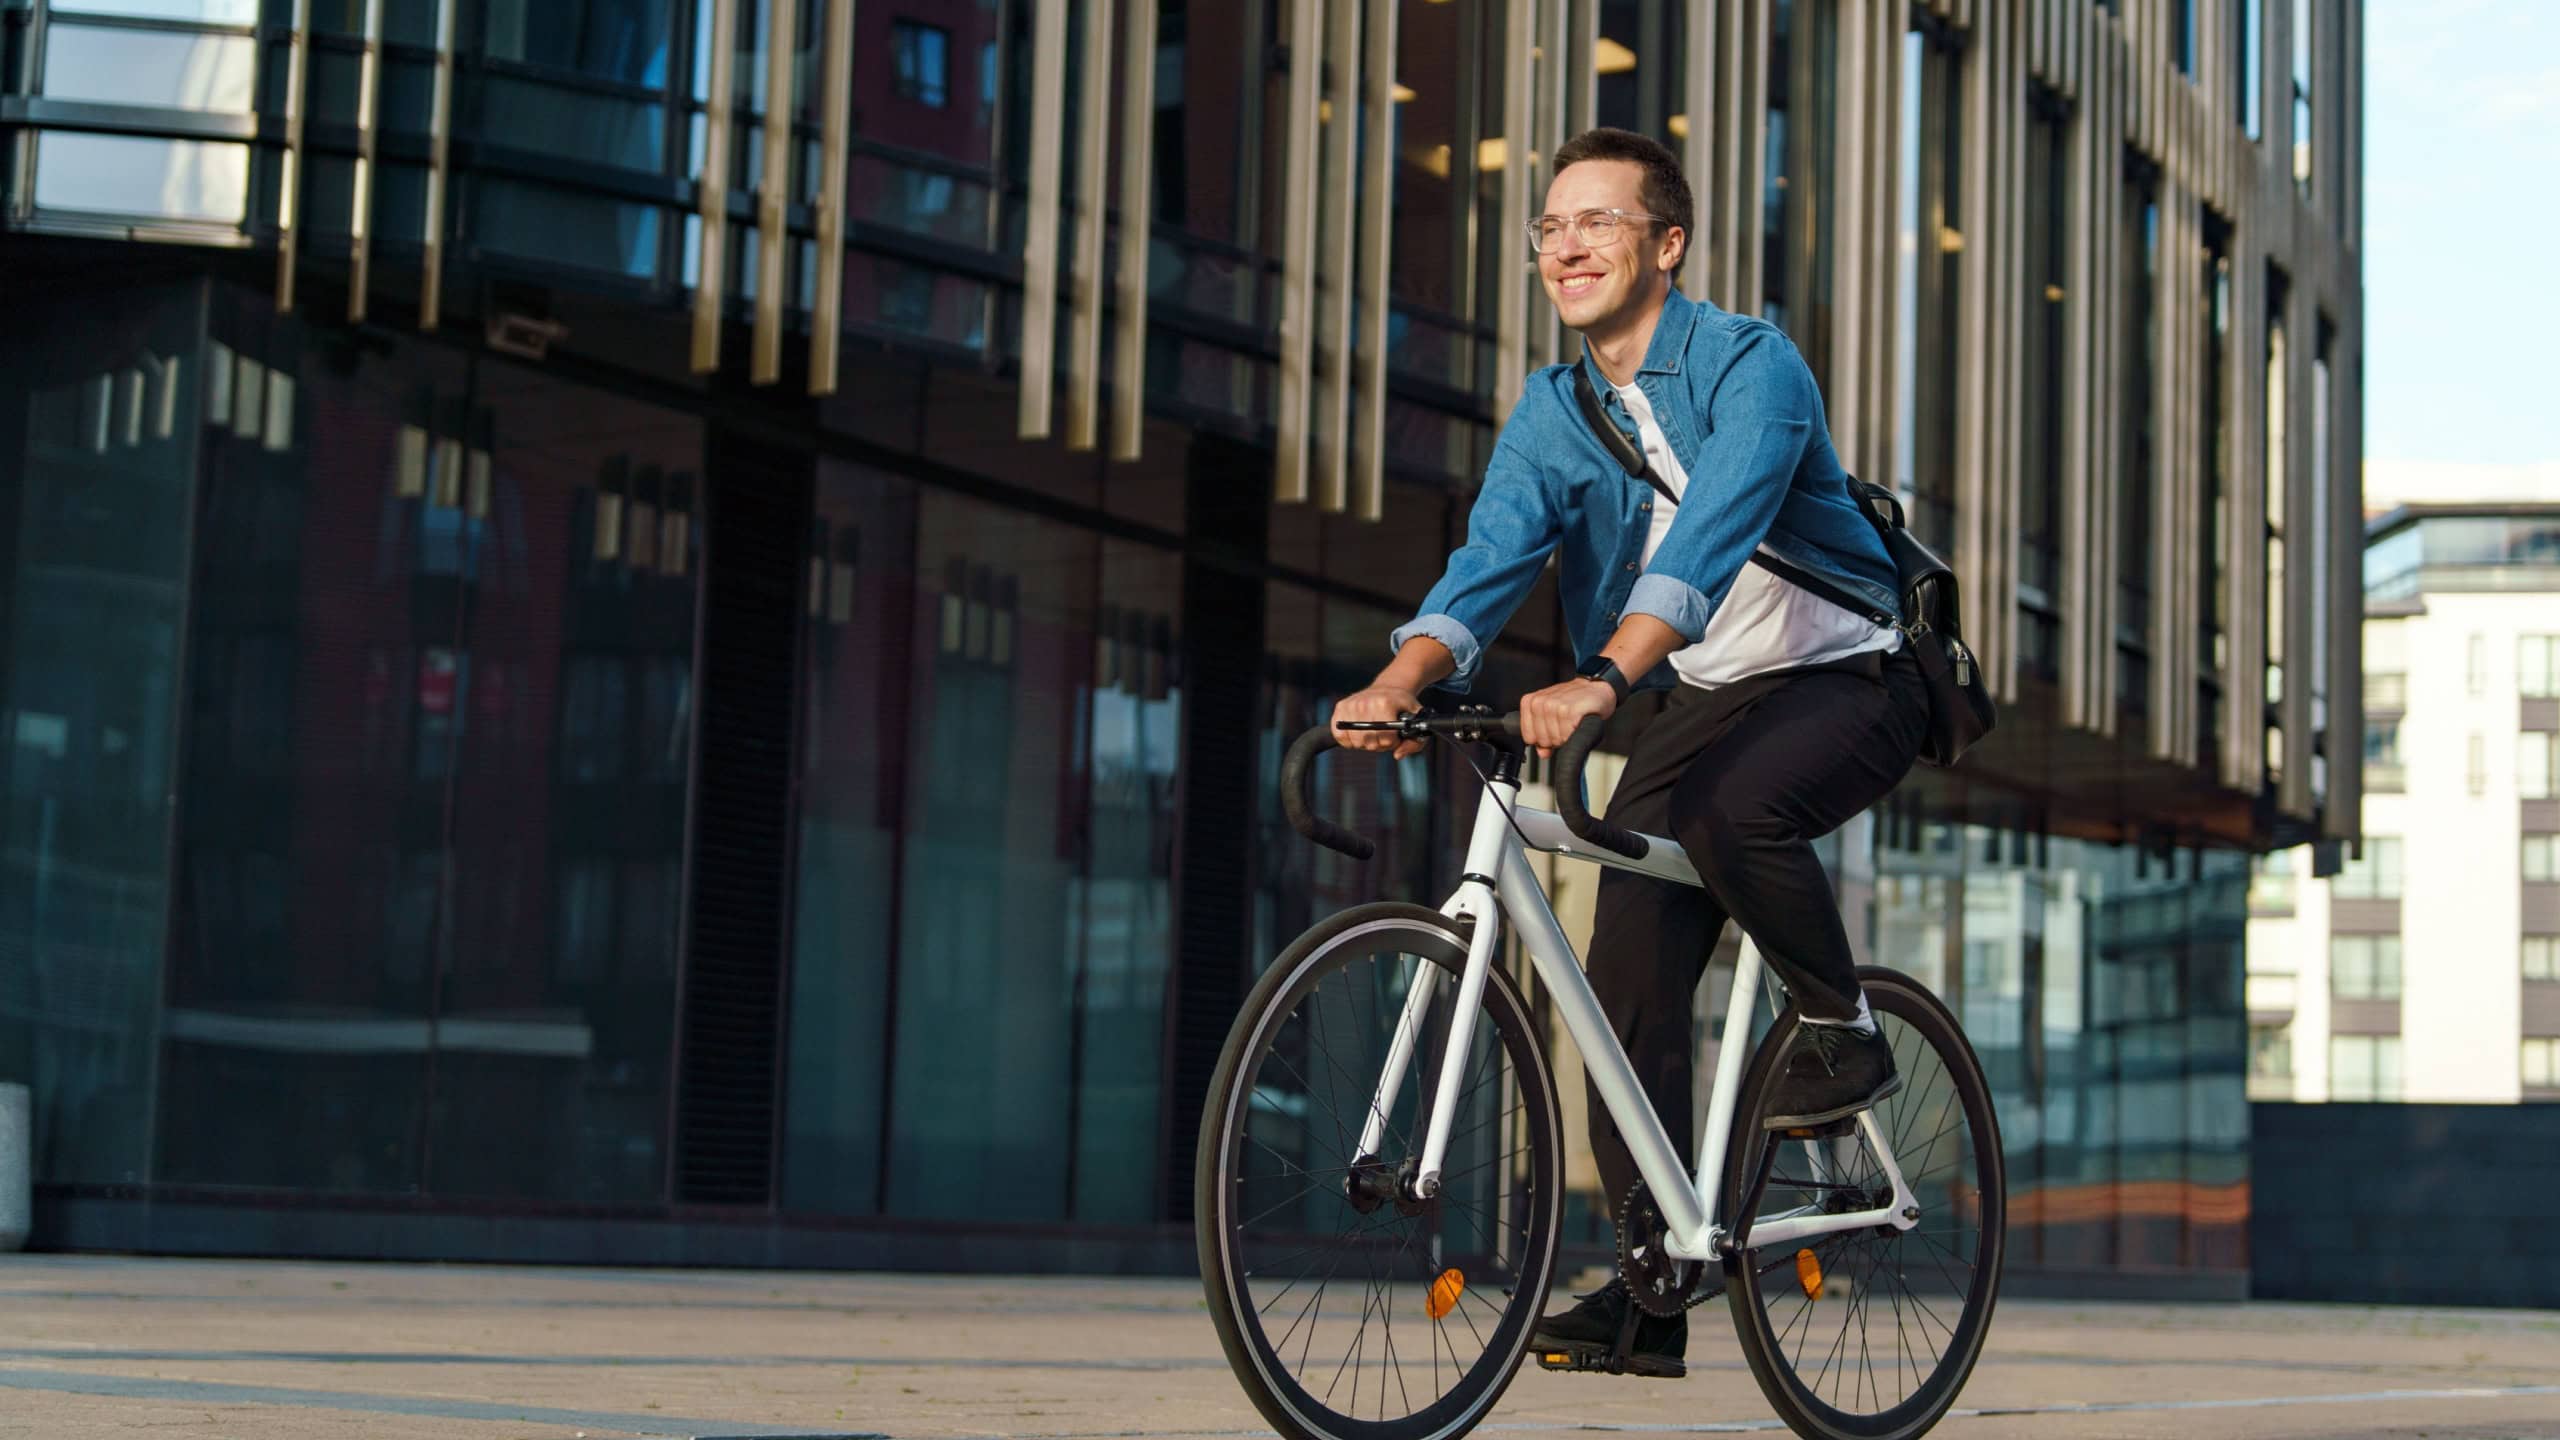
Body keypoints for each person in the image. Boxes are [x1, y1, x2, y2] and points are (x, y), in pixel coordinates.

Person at [1327, 127, 1932, 1379]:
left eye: (1596, 223)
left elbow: (1709, 535)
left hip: (1852, 671)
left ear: (1667, 244)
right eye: (1550, 228)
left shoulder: (1751, 367)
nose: (1566, 248)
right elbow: (1489, 558)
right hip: (1705, 692)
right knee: (1623, 990)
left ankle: (1842, 1025)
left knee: (1730, 813)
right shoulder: (1558, 411)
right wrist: (1396, 681)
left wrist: (1605, 676)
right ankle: (1654, 1284)